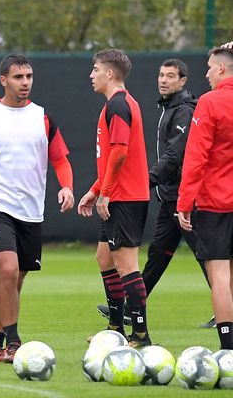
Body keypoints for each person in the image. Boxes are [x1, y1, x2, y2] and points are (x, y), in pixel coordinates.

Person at [0, 54, 74, 363]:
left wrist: (66, 186)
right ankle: (14, 342)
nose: (25, 83)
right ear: (3, 80)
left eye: (29, 77)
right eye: (18, 77)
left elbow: (60, 158)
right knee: (8, 271)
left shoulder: (43, 118)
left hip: (31, 211)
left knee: (13, 282)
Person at [95, 59, 215, 328]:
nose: (163, 80)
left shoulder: (183, 110)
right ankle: (130, 309)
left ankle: (225, 307)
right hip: (169, 197)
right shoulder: (167, 108)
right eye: (161, 75)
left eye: (171, 76)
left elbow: (174, 155)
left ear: (183, 81)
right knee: (158, 254)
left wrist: (145, 180)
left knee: (206, 254)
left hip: (186, 198)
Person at [78, 48, 152, 348]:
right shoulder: (117, 104)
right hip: (117, 194)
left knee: (126, 265)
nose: (91, 75)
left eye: (95, 69)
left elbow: (121, 151)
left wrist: (105, 193)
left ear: (110, 73)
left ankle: (141, 336)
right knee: (104, 257)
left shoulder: (119, 104)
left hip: (125, 197)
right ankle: (115, 330)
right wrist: (95, 190)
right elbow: (113, 155)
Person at [178, 45, 233, 350]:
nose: (207, 74)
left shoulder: (210, 102)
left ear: (222, 69)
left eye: (210, 68)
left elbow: (196, 157)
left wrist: (185, 203)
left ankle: (228, 349)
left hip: (216, 203)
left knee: (220, 274)